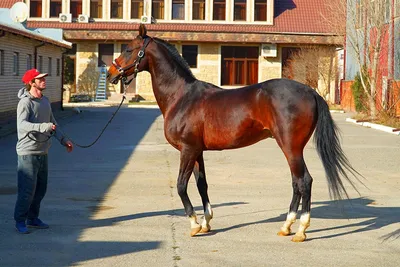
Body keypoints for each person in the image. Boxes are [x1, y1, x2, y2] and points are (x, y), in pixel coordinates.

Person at [14, 68, 74, 234]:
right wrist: (43, 127)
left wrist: (64, 140)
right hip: (27, 153)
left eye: (44, 78)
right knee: (27, 191)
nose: (44, 81)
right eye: (40, 79)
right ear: (31, 83)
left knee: (40, 189)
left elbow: (54, 124)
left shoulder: (45, 101)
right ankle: (20, 221)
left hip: (42, 152)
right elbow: (22, 125)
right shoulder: (25, 102)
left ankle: (32, 218)